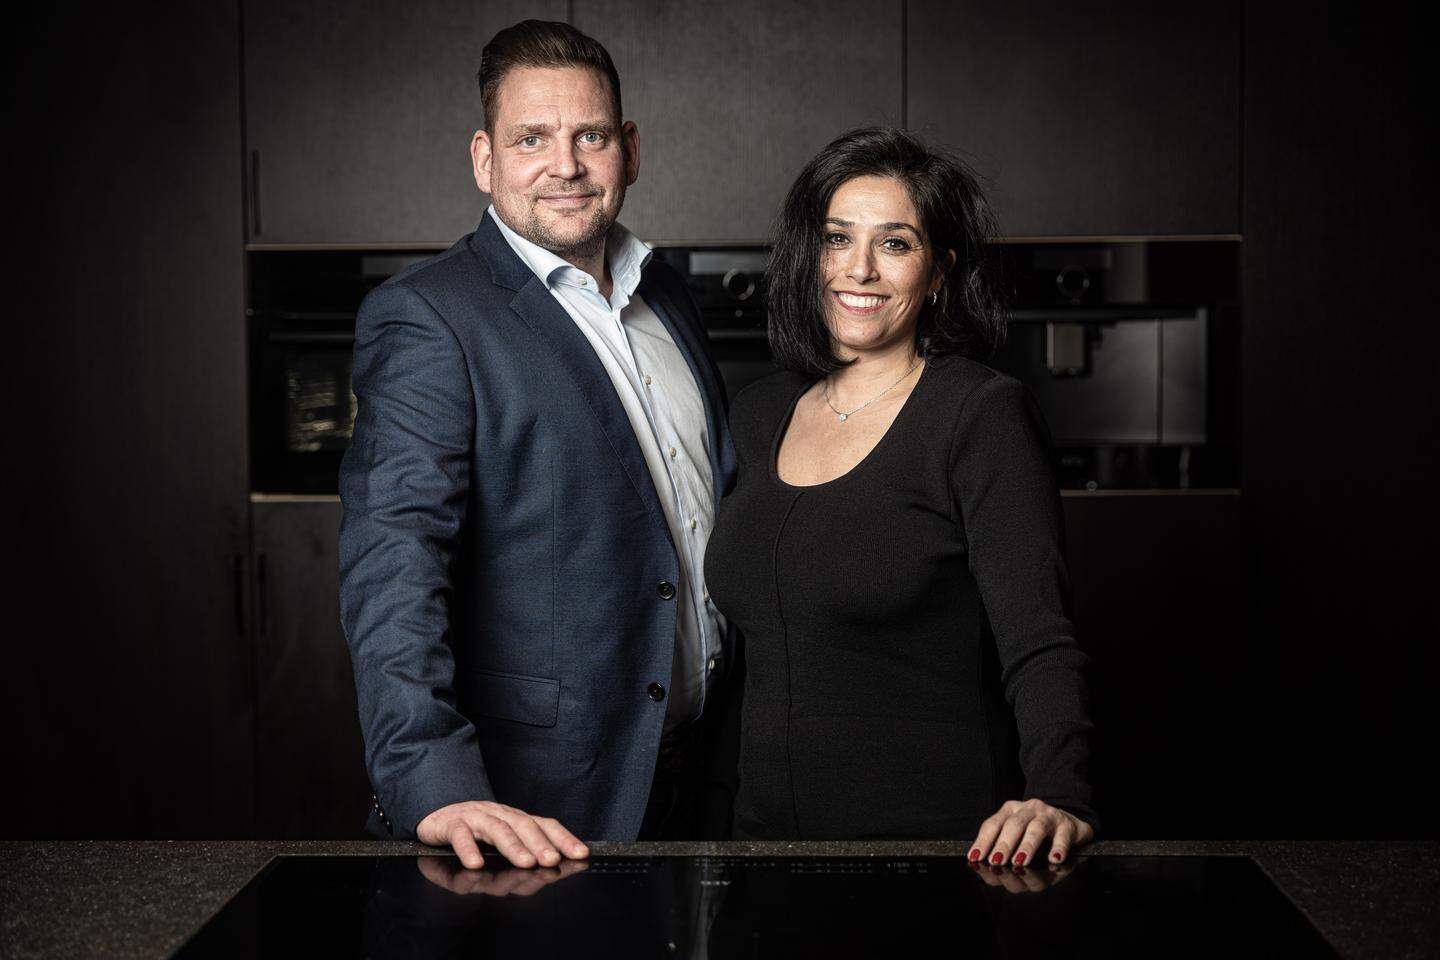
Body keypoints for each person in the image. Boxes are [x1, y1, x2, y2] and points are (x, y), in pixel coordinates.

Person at [339, 20, 739, 869]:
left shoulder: (666, 294)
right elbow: (394, 560)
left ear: (629, 149)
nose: (566, 165)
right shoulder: (430, 317)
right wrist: (431, 778)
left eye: (590, 136)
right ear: (484, 159)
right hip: (539, 801)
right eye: (532, 139)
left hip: (706, 777)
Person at [704, 127, 1097, 865]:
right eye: (837, 238)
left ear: (938, 271)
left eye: (894, 243)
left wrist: (1059, 793)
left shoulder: (978, 416)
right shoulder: (758, 413)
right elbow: (749, 657)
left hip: (931, 851)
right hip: (762, 850)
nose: (859, 268)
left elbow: (1039, 641)